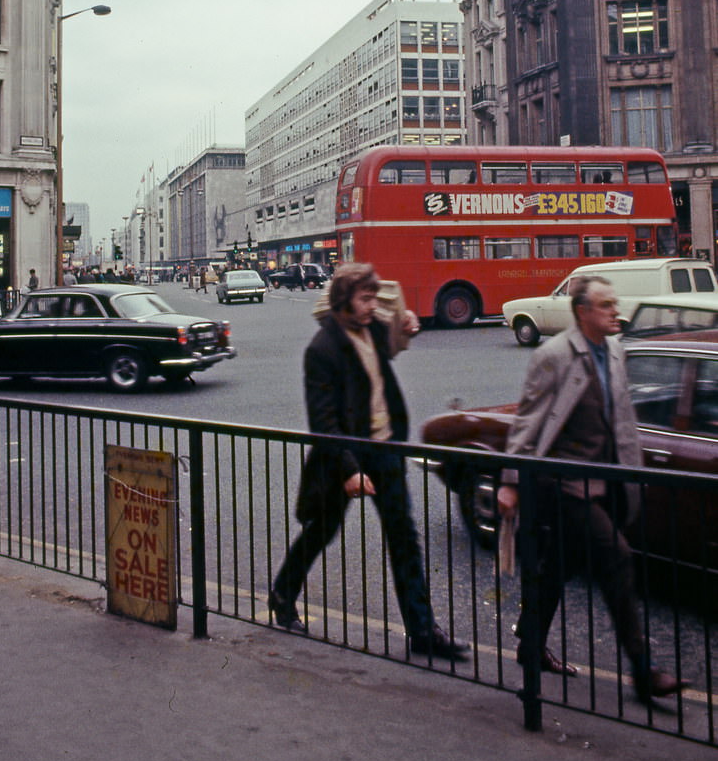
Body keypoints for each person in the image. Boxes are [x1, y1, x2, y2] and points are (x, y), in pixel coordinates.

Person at [496, 275, 690, 704]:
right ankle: (643, 672)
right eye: (605, 305)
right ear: (582, 311)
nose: (613, 311)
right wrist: (511, 482)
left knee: (558, 568)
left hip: (606, 483)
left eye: (614, 304)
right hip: (566, 485)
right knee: (617, 560)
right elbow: (528, 423)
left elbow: (620, 421)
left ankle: (530, 647)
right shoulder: (555, 356)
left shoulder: (615, 351)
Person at [268, 262, 469, 660]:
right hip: (344, 456)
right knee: (320, 532)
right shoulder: (321, 349)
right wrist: (350, 470)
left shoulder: (374, 330)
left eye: (373, 298)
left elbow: (394, 339)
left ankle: (423, 630)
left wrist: (406, 325)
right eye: (364, 298)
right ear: (343, 300)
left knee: (404, 538)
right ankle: (282, 593)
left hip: (385, 450)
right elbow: (323, 422)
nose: (371, 305)